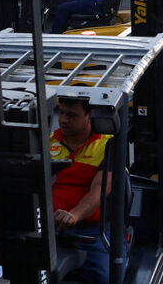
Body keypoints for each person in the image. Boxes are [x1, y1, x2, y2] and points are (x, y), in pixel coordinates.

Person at [50, 97, 120, 284]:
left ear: (89, 116)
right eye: (62, 112)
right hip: (49, 227)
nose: (64, 119)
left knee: (107, 278)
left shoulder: (107, 146)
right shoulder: (47, 143)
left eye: (72, 115)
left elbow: (100, 190)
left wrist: (73, 215)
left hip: (91, 230)